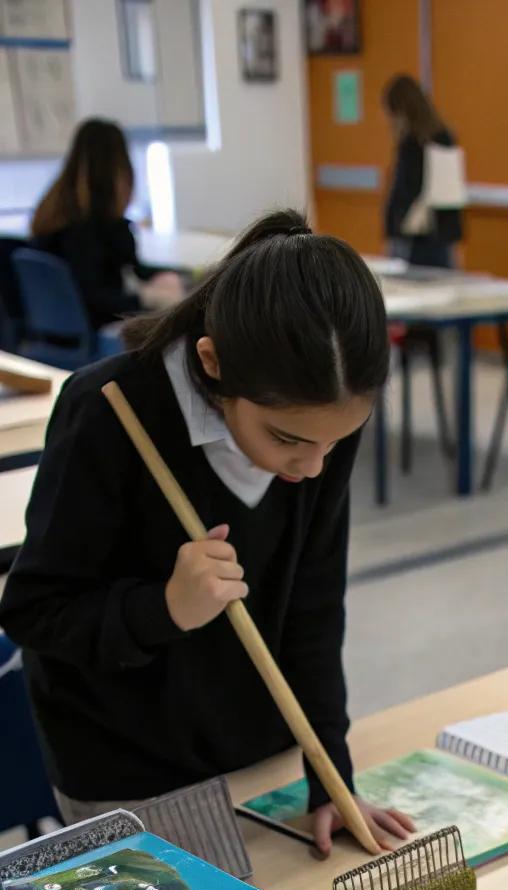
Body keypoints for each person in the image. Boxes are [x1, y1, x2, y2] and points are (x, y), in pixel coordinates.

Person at [0, 210, 414, 856]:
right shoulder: (108, 412)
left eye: (336, 443)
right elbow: (35, 612)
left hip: (258, 748)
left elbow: (312, 606)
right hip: (127, 765)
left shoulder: (317, 425)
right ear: (212, 362)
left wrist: (329, 773)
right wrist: (163, 608)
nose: (313, 469)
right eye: (288, 440)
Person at [31, 118, 182, 330]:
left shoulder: (53, 218)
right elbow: (95, 298)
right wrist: (146, 299)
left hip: (51, 335)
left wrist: (158, 279)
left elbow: (127, 270)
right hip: (97, 331)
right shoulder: (86, 232)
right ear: (117, 169)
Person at [382, 74, 463, 269]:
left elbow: (403, 191)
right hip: (440, 233)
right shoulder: (444, 138)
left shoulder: (412, 143)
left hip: (413, 235)